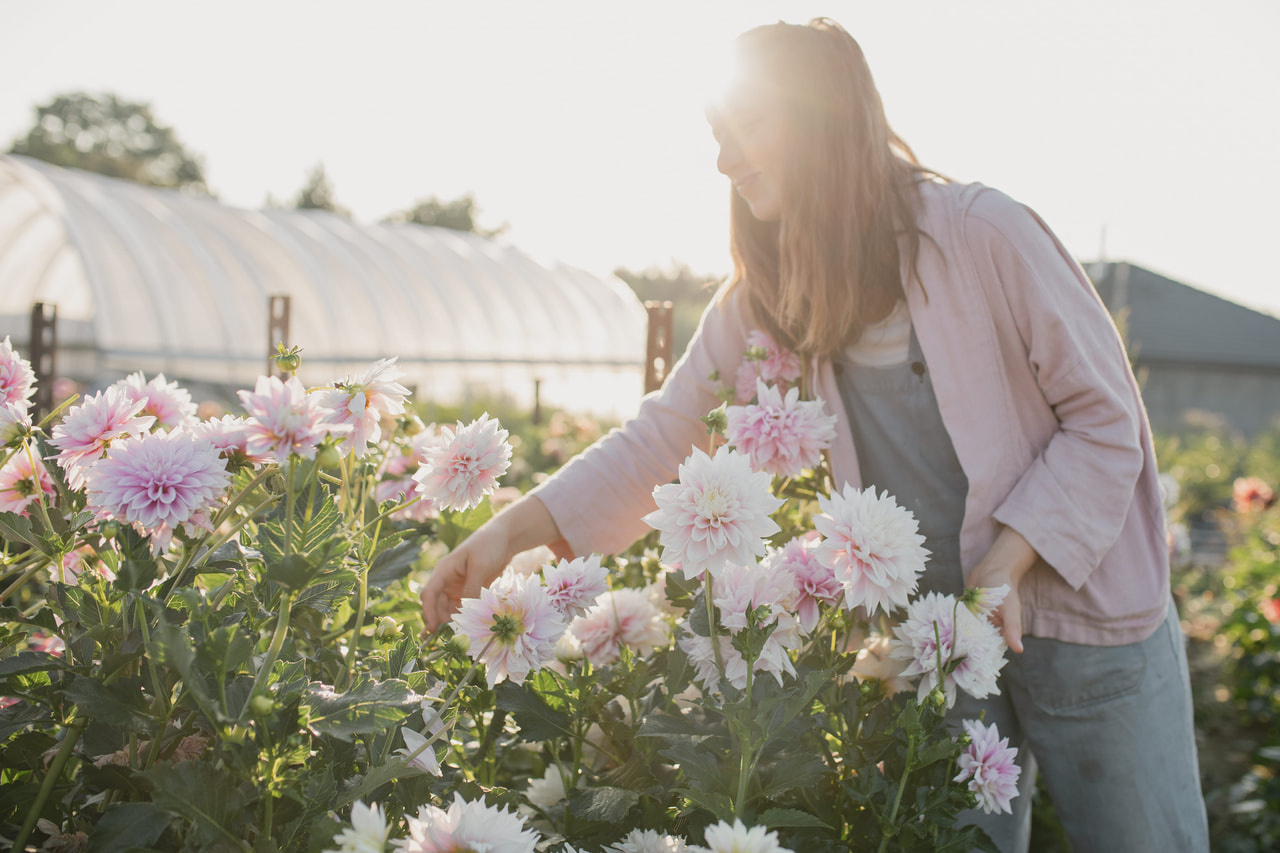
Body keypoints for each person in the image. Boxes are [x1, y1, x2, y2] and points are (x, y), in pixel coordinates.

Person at [420, 17, 1208, 852]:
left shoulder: (985, 236)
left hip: (1088, 619)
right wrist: (513, 530)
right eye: (719, 137)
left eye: (749, 128)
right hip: (936, 643)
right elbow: (663, 440)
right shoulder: (768, 295)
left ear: (828, 120)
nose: (725, 160)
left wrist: (1007, 564)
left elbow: (1105, 421)